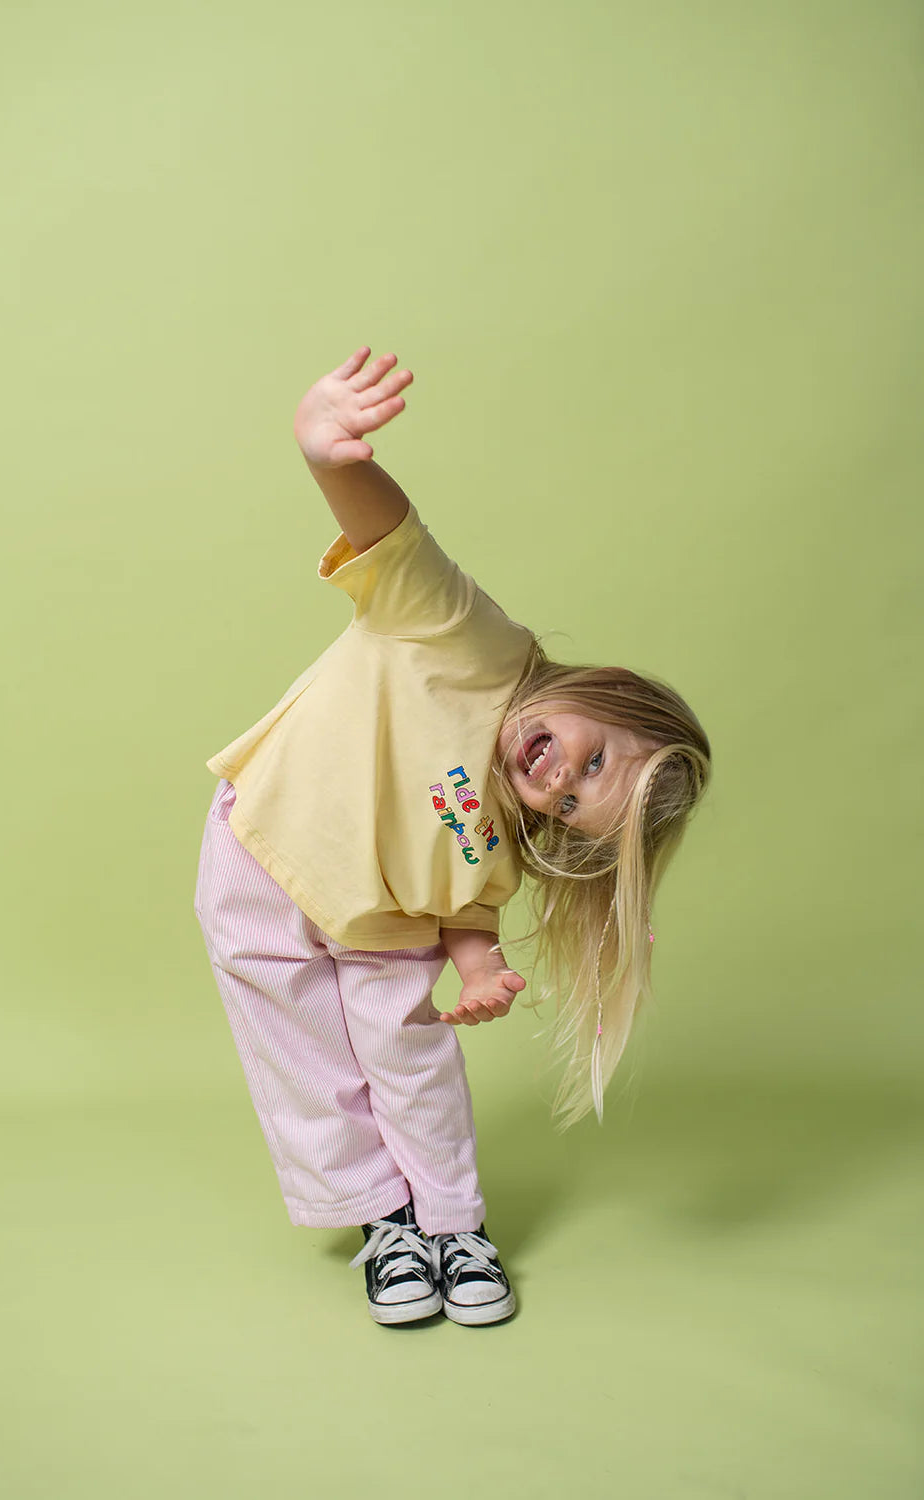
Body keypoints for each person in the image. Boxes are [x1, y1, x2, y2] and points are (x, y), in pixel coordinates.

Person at [193, 345, 712, 1328]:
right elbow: (392, 536)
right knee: (306, 1061)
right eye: (590, 761)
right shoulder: (468, 639)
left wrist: (475, 969)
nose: (556, 783)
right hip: (264, 852)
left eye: (571, 809)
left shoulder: (515, 818)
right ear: (602, 691)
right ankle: (382, 1218)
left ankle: (450, 1222)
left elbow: (466, 898)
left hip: (382, 920)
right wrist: (332, 458)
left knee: (411, 1058)